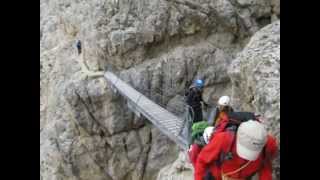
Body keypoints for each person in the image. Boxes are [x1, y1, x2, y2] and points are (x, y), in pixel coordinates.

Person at [195, 120, 278, 180]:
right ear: (237, 138)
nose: (246, 158)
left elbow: (265, 168)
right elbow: (202, 160)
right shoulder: (222, 140)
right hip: (217, 176)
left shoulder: (268, 145)